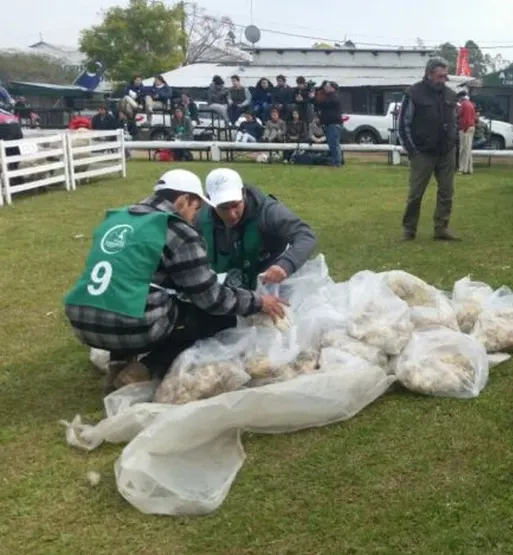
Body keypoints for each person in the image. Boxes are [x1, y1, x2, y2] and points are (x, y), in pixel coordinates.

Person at [63, 169, 285, 391]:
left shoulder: (118, 218)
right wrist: (257, 302)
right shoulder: (177, 229)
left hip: (83, 322)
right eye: (196, 208)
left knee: (129, 290)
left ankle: (118, 362)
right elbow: (211, 298)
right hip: (129, 328)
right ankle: (146, 367)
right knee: (215, 318)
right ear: (183, 200)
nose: (195, 217)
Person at [198, 168, 317, 290]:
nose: (232, 214)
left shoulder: (268, 211)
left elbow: (306, 235)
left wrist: (285, 265)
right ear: (209, 200)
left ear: (243, 193)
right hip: (227, 289)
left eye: (235, 205)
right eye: (223, 208)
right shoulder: (200, 218)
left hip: (271, 283)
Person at [398, 57, 460, 241]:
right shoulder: (413, 93)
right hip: (422, 153)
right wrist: (412, 151)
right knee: (416, 194)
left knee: (447, 192)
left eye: (445, 76)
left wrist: (453, 145)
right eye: (440, 76)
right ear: (429, 74)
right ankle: (409, 229)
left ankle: (441, 228)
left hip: (446, 151)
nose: (443, 80)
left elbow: (454, 123)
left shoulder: (450, 94)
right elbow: (404, 124)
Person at [314, 80, 344, 167]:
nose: (325, 88)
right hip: (330, 124)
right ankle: (335, 161)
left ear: (332, 88)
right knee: (332, 144)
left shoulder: (334, 97)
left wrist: (315, 99)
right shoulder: (329, 96)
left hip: (334, 124)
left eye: (327, 86)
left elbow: (323, 104)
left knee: (334, 144)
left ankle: (337, 162)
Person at [457, 90, 477, 174]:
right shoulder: (470, 104)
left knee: (463, 149)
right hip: (471, 127)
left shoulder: (464, 105)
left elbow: (464, 117)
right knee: (468, 149)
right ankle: (469, 168)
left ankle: (462, 169)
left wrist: (464, 128)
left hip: (465, 128)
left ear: (461, 98)